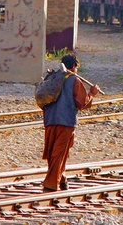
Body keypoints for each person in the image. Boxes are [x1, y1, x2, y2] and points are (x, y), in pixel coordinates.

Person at [42, 53, 100, 192]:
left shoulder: (51, 77)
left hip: (50, 120)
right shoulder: (74, 80)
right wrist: (92, 93)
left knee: (52, 152)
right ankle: (51, 184)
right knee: (59, 153)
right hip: (66, 122)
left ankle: (62, 179)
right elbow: (82, 103)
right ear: (74, 66)